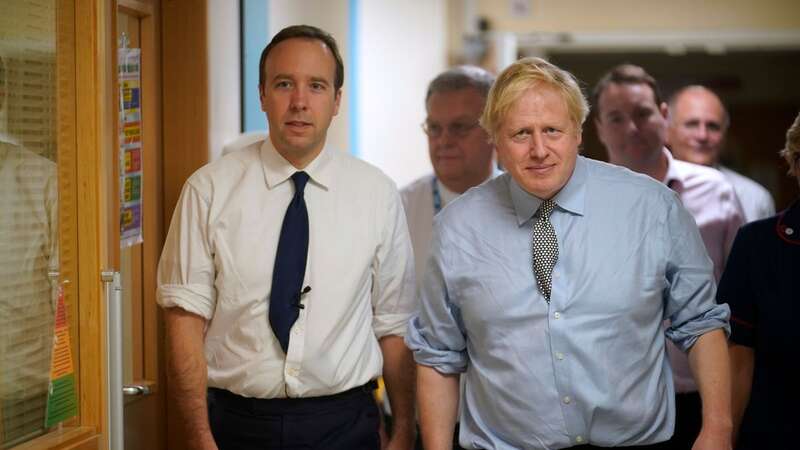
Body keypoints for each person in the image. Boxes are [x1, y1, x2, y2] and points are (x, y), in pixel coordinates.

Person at [406, 56, 732, 450]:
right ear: (494, 138)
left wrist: (717, 430)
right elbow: (438, 356)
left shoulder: (652, 208)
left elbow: (701, 324)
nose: (539, 149)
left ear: (578, 131)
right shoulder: (457, 228)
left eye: (553, 130)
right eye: (521, 134)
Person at [157, 25, 416, 450]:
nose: (299, 102)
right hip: (236, 424)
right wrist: (199, 437)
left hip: (344, 424)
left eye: (316, 86)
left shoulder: (377, 195)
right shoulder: (208, 190)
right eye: (283, 84)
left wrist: (405, 428)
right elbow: (183, 322)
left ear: (336, 101)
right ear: (262, 94)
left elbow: (395, 322)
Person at [593, 64, 744, 450]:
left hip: (699, 397)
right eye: (616, 118)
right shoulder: (582, 201)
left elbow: (741, 303)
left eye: (642, 113)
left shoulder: (717, 192)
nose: (632, 128)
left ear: (663, 115)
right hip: (614, 401)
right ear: (598, 127)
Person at [721, 111, 800, 449]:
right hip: (777, 432)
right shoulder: (758, 243)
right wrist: (725, 437)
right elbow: (739, 353)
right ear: (795, 163)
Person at [402, 65, 498, 293]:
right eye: (434, 128)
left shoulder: (527, 205)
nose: (444, 141)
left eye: (460, 127)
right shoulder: (399, 211)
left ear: (494, 129)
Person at [667, 85, 775, 221]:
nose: (702, 135)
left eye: (713, 126)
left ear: (725, 135)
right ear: (667, 131)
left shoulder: (754, 199)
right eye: (692, 124)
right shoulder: (647, 192)